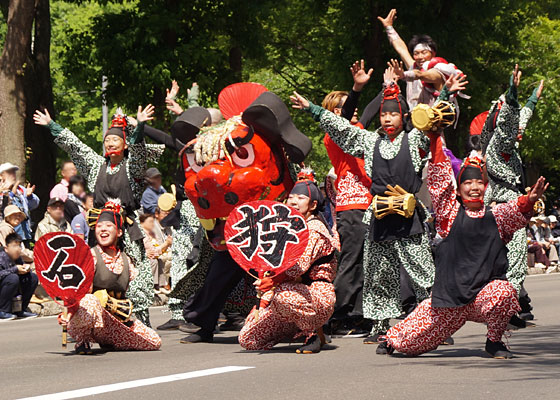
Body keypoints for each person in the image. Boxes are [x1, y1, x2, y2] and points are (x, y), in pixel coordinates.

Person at [289, 73, 466, 344]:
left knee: (422, 273)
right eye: (383, 115)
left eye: (393, 115)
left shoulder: (415, 139)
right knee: (379, 274)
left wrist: (444, 94)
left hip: (408, 215)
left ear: (403, 118)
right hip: (379, 214)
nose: (386, 119)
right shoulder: (370, 142)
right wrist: (313, 108)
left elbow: (431, 118)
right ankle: (380, 327)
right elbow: (341, 128)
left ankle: (435, 323)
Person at [378, 118, 548, 358]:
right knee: (406, 345)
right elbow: (439, 182)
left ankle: (494, 342)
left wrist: (529, 200)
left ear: (486, 188)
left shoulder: (497, 216)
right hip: (449, 299)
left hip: (482, 298)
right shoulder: (449, 215)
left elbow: (516, 211)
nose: (475, 186)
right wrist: (436, 139)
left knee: (505, 291)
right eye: (468, 182)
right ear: (459, 190)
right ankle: (390, 339)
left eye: (480, 182)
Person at [33, 105, 156, 326]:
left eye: (115, 140)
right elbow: (76, 147)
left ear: (124, 143)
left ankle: (139, 322)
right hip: (100, 230)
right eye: (107, 140)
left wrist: (140, 126)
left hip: (126, 230)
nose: (109, 143)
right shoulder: (96, 165)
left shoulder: (132, 168)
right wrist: (52, 126)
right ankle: (90, 321)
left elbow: (138, 153)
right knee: (93, 273)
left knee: (135, 275)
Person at [238, 180, 340, 353]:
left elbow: (296, 268)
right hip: (286, 291)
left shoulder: (314, 229)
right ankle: (296, 327)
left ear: (313, 205)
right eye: (290, 197)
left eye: (300, 198)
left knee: (283, 295)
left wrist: (271, 281)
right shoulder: (288, 229)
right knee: (248, 338)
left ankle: (311, 333)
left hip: (316, 294)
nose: (293, 202)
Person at [58, 203, 161, 354]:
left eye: (108, 225)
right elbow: (78, 293)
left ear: (119, 232)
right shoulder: (89, 257)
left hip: (116, 320)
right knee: (90, 300)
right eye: (99, 226)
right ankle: (83, 341)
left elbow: (136, 294)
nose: (103, 229)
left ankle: (111, 341)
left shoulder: (126, 260)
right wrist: (69, 312)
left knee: (154, 341)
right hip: (89, 319)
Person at [320, 74, 373, 336]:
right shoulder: (334, 136)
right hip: (351, 205)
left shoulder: (361, 133)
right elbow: (345, 117)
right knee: (351, 260)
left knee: (367, 261)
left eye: (350, 106)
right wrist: (356, 89)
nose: (350, 112)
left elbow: (373, 111)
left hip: (371, 203)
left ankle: (359, 314)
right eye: (342, 107)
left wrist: (392, 87)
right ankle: (336, 315)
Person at [378, 9, 463, 109]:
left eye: (424, 53)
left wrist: (404, 75)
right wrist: (389, 27)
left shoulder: (438, 72)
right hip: (412, 120)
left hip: (433, 122)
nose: (420, 57)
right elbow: (401, 48)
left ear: (433, 54)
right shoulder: (413, 66)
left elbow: (420, 75)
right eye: (416, 53)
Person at [0, 233, 38, 320]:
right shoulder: (1, 257)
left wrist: (26, 270)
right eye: (14, 246)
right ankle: (2, 311)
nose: (18, 249)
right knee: (13, 278)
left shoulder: (17, 258)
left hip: (12, 288)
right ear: (6, 248)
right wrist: (15, 269)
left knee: (32, 278)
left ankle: (20, 309)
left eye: (19, 246)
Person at [0, 162, 39, 245]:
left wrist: (30, 196)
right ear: (1, 176)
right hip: (7, 234)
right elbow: (2, 209)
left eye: (14, 172)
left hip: (25, 234)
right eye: (9, 172)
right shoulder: (1, 190)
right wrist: (9, 194)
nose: (13, 174)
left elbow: (35, 204)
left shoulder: (20, 189)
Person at [140, 213, 172, 293]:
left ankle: (161, 284)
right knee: (154, 261)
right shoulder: (143, 234)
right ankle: (155, 285)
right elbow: (152, 252)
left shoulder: (150, 233)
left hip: (156, 253)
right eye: (150, 222)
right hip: (144, 257)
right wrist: (166, 244)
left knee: (160, 259)